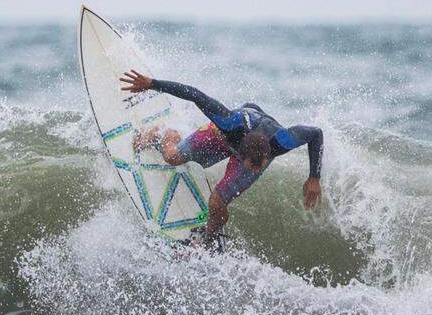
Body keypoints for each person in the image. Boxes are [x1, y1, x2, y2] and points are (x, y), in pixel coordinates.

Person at [121, 70, 323, 247]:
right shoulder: (229, 122)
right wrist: (152, 84)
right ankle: (162, 134)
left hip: (257, 140)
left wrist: (314, 176)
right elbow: (195, 94)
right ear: (242, 157)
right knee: (172, 157)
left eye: (258, 167)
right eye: (251, 166)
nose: (254, 171)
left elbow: (315, 133)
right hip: (221, 137)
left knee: (217, 203)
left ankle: (207, 239)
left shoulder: (282, 141)